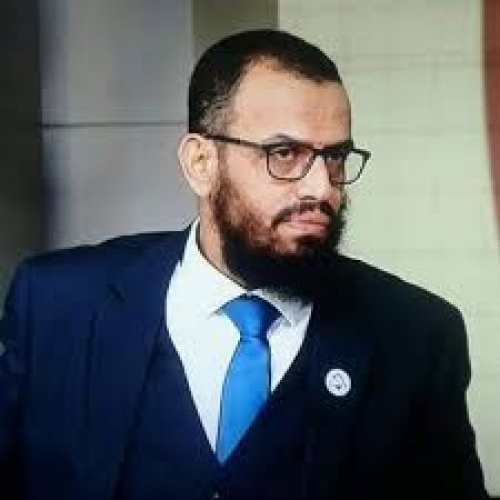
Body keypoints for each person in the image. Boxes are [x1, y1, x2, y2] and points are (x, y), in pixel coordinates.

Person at [0, 29, 489, 500]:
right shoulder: (58, 307)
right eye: (285, 153)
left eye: (335, 157)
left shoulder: (416, 337)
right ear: (201, 164)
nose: (322, 188)